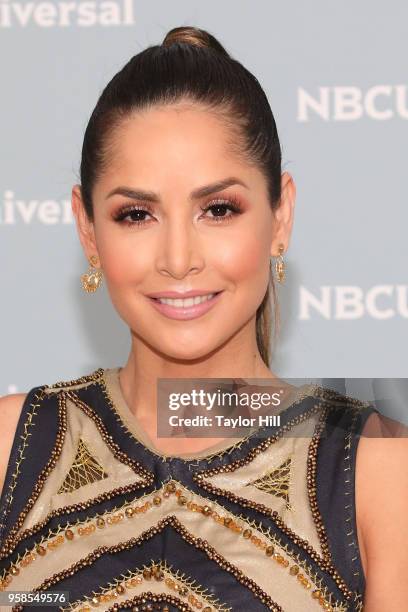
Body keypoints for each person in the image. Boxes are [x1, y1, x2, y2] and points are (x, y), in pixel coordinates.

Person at [0, 25, 407, 612]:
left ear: (281, 214)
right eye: (136, 214)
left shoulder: (377, 469)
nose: (178, 259)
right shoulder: (14, 446)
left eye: (218, 209)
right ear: (87, 229)